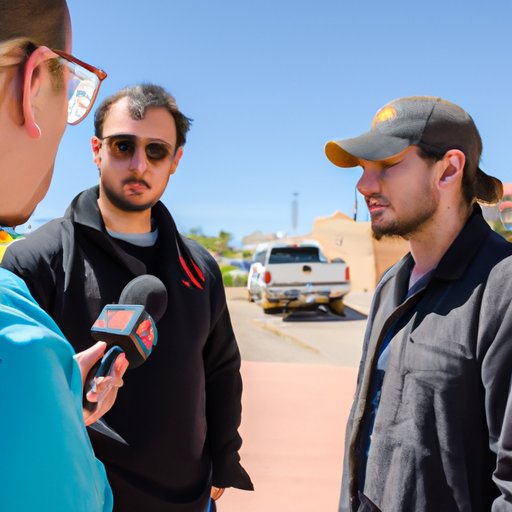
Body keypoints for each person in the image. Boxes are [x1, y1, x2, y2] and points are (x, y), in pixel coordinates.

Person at [3, 83, 254, 512]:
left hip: (191, 499)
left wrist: (224, 460)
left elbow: (220, 369)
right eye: (123, 146)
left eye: (156, 151)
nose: (139, 164)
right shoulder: (36, 260)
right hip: (89, 498)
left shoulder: (200, 266)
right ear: (96, 150)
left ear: (175, 161)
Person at [324, 96, 512, 511]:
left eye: (387, 164)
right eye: (362, 169)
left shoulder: (503, 289)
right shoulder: (391, 284)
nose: (364, 185)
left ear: (448, 170)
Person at [0, 1, 129, 510]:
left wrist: (53, 407)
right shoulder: (17, 342)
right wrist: (40, 400)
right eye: (72, 85)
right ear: (33, 85)